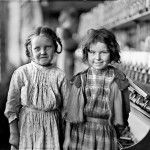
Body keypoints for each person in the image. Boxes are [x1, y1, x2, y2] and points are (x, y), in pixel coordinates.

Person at [63, 28, 130, 150]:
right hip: (81, 132)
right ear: (86, 53)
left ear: (112, 52)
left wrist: (119, 132)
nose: (97, 57)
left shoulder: (119, 79)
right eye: (92, 52)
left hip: (107, 134)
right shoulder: (80, 79)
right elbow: (70, 114)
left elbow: (124, 112)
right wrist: (67, 138)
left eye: (104, 52)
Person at [4, 26, 70, 150]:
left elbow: (67, 111)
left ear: (55, 48)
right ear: (30, 51)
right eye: (37, 48)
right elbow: (12, 107)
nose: (43, 52)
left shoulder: (60, 76)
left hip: (53, 130)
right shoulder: (21, 73)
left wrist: (67, 137)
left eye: (48, 47)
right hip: (26, 129)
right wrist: (13, 134)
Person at [56, 7, 79, 80]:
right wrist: (76, 41)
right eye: (74, 20)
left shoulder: (63, 30)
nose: (75, 23)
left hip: (65, 58)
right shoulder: (64, 30)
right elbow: (64, 44)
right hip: (65, 58)